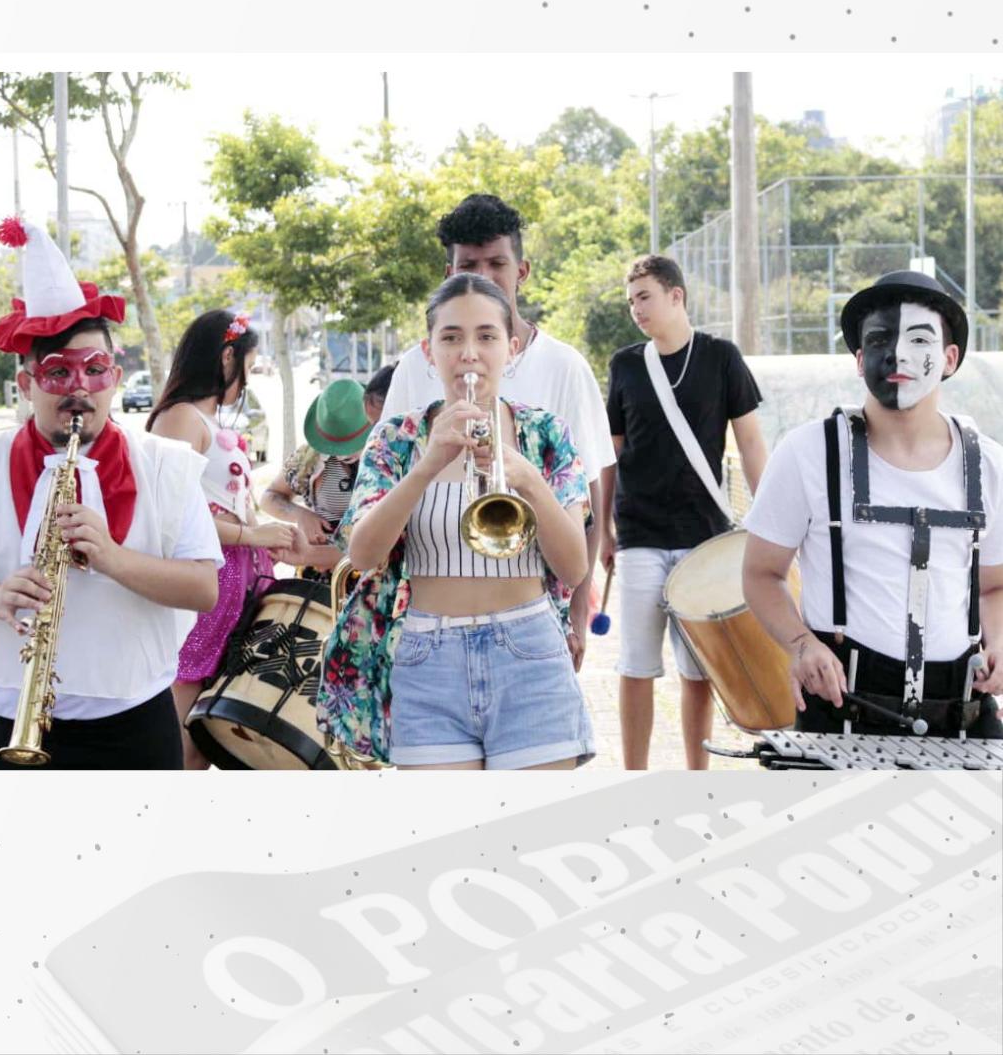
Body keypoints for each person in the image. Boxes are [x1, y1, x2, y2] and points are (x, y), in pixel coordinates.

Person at [0, 217, 223, 770]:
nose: (79, 388)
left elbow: (204, 587)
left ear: (114, 377)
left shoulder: (165, 465)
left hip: (137, 725)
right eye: (58, 372)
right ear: (26, 384)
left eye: (95, 369)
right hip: (11, 722)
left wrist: (112, 558)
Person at [317, 273, 594, 770]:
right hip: (428, 655)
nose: (469, 352)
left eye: (486, 336)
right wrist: (426, 464)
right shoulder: (395, 439)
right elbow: (362, 554)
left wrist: (524, 477)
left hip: (529, 651)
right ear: (429, 351)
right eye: (451, 337)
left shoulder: (547, 432)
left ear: (511, 348)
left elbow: (574, 566)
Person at [743, 270, 1003, 738]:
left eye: (919, 339)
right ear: (860, 360)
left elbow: (993, 587)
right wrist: (801, 644)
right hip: (843, 712)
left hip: (963, 715)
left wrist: (1000, 639)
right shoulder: (808, 453)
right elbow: (761, 573)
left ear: (950, 358)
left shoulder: (988, 463)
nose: (898, 353)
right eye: (881, 338)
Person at [382, 194, 615, 667]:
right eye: (469, 265)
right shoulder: (416, 364)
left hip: (535, 615)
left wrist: (576, 616)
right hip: (434, 617)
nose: (484, 277)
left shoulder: (565, 366)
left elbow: (589, 494)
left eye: (497, 264)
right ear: (450, 274)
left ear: (522, 271)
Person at [600, 254, 769, 770]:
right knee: (635, 664)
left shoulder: (721, 357)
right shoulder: (626, 365)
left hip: (705, 538)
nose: (636, 309)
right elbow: (611, 453)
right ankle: (635, 776)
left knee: (699, 670)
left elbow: (752, 444)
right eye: (631, 301)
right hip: (639, 534)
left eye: (644, 297)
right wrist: (604, 529)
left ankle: (697, 780)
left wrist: (768, 523)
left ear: (677, 296)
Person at [147, 309, 308, 769]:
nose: (248, 380)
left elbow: (227, 501)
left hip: (236, 586)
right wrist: (252, 533)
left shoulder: (202, 419)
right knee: (186, 724)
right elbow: (173, 518)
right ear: (225, 358)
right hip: (204, 587)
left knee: (210, 726)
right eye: (249, 367)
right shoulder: (180, 419)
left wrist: (266, 534)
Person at [260, 378, 373, 581]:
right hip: (320, 578)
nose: (342, 453)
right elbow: (269, 497)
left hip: (371, 579)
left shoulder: (388, 457)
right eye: (334, 445)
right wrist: (301, 515)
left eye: (351, 443)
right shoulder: (309, 457)